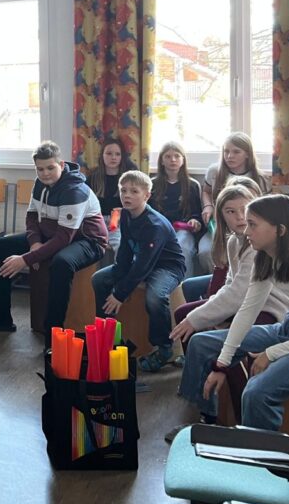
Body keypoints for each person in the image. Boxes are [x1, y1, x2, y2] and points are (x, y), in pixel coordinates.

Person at [178, 195, 289, 432]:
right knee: (201, 343)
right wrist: (221, 363)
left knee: (256, 392)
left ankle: (261, 450)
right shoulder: (265, 257)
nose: (246, 230)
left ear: (280, 230)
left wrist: (271, 353)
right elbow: (247, 311)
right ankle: (207, 421)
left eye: (253, 224)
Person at [0, 141, 108, 335]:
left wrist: (26, 259)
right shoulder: (39, 183)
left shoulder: (74, 191)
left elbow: (63, 238)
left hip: (87, 240)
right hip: (52, 233)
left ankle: (53, 333)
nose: (45, 174)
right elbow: (31, 216)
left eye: (50, 168)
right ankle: (1, 317)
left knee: (61, 263)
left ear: (61, 165)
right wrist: (35, 243)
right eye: (40, 169)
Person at [169, 185, 289, 348]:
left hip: (269, 308)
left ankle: (221, 362)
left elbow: (238, 293)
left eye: (244, 209)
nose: (240, 217)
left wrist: (200, 318)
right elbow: (230, 284)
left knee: (200, 327)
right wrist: (209, 311)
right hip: (244, 303)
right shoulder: (233, 241)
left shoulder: (257, 244)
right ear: (222, 216)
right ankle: (199, 359)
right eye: (230, 211)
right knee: (183, 314)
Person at [91, 170, 186, 372]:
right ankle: (107, 333)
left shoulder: (154, 225)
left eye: (134, 191)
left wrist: (120, 293)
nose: (127, 195)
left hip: (167, 267)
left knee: (155, 296)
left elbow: (143, 266)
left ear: (146, 196)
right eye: (123, 190)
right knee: (99, 279)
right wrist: (119, 273)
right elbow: (126, 250)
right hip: (143, 262)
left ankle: (164, 347)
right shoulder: (126, 214)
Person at [197, 132, 270, 273]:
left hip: (247, 227)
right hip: (219, 225)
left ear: (247, 154)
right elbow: (206, 191)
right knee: (205, 253)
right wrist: (208, 206)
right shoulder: (214, 171)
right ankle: (217, 279)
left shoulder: (259, 177)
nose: (230, 156)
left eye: (236, 152)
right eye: (226, 151)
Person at [150, 141, 204, 279]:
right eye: (168, 156)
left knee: (182, 247)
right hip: (159, 230)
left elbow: (197, 213)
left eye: (177, 156)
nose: (173, 160)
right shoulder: (152, 184)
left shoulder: (192, 185)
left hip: (183, 230)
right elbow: (149, 212)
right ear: (161, 161)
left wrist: (195, 221)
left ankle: (184, 287)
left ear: (183, 160)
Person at [85, 137, 136, 257]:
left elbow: (135, 205)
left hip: (120, 221)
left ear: (122, 157)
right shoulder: (93, 177)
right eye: (109, 153)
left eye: (117, 154)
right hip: (97, 222)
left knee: (121, 246)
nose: (113, 157)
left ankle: (124, 268)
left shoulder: (128, 178)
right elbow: (85, 206)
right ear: (102, 155)